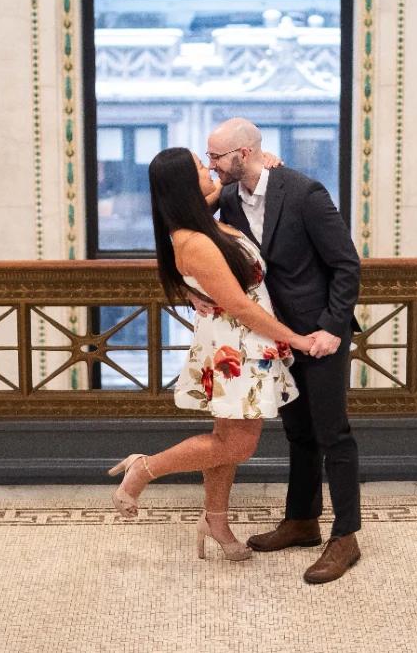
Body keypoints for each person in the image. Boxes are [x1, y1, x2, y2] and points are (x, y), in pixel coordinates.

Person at [108, 147, 315, 562]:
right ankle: (144, 468)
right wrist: (296, 338)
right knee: (238, 445)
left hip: (241, 340)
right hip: (238, 345)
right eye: (202, 167)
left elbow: (227, 185)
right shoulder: (195, 240)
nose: (210, 170)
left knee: (225, 439)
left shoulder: (195, 218)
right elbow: (239, 305)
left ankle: (215, 520)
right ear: (187, 183)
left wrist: (262, 161)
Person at [208, 117, 363, 584]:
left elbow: (346, 265)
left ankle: (346, 536)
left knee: (333, 433)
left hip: (320, 333)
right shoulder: (229, 199)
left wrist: (332, 328)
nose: (212, 166)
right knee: (298, 431)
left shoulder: (304, 193)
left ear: (242, 153)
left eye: (216, 157)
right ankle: (301, 521)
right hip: (274, 335)